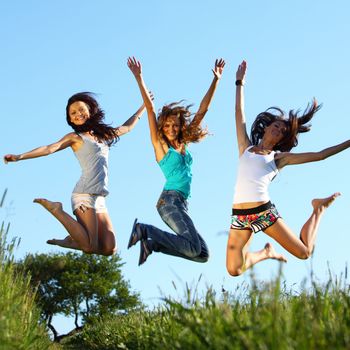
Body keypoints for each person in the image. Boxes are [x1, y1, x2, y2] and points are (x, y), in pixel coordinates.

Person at [226, 60, 350, 276]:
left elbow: (320, 155)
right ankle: (265, 253)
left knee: (304, 252)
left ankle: (318, 209)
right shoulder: (245, 147)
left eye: (283, 131)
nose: (278, 129)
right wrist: (239, 82)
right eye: (276, 126)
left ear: (282, 139)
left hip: (262, 211)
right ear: (266, 128)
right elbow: (239, 111)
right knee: (234, 269)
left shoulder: (278, 158)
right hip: (239, 214)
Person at [4, 92, 148, 255]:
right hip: (84, 194)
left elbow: (127, 127)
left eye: (81, 110)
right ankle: (57, 210)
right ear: (70, 120)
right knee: (89, 247)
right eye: (73, 113)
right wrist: (20, 156)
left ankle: (73, 240)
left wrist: (144, 107)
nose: (78, 114)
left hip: (99, 197)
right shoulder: (75, 137)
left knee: (110, 249)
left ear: (90, 110)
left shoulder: (103, 135)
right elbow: (49, 148)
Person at [127, 56, 225, 265]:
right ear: (162, 128)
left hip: (181, 203)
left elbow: (202, 110)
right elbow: (151, 110)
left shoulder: (184, 144)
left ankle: (152, 245)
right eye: (167, 126)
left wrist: (216, 80)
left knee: (202, 254)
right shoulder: (161, 147)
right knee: (192, 247)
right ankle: (144, 230)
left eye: (175, 125)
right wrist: (139, 78)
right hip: (169, 201)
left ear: (180, 126)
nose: (171, 129)